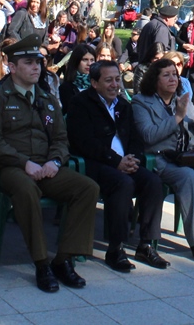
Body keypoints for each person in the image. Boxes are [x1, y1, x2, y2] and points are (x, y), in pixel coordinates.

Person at [0, 34, 100, 293]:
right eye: (29, 63)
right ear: (12, 67)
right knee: (26, 189)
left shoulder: (47, 99)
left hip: (46, 167)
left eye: (38, 63)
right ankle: (42, 263)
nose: (36, 68)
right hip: (11, 168)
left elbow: (61, 139)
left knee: (87, 188)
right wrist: (24, 163)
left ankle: (63, 259)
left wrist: (55, 161)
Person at [67, 60, 169, 272]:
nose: (115, 85)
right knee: (123, 183)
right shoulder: (80, 103)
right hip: (96, 164)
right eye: (108, 80)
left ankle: (146, 244)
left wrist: (133, 159)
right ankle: (116, 248)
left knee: (153, 182)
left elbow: (135, 138)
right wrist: (116, 161)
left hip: (124, 162)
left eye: (117, 79)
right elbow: (85, 142)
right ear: (94, 83)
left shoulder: (123, 105)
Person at [132, 58, 194, 266]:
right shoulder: (141, 102)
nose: (173, 79)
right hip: (161, 158)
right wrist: (177, 117)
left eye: (175, 74)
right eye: (166, 75)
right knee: (189, 179)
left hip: (189, 156)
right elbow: (148, 136)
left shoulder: (184, 99)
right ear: (154, 79)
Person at [58, 44, 94, 114]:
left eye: (92, 60)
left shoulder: (98, 85)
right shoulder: (65, 88)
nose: (89, 63)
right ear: (76, 61)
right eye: (85, 60)